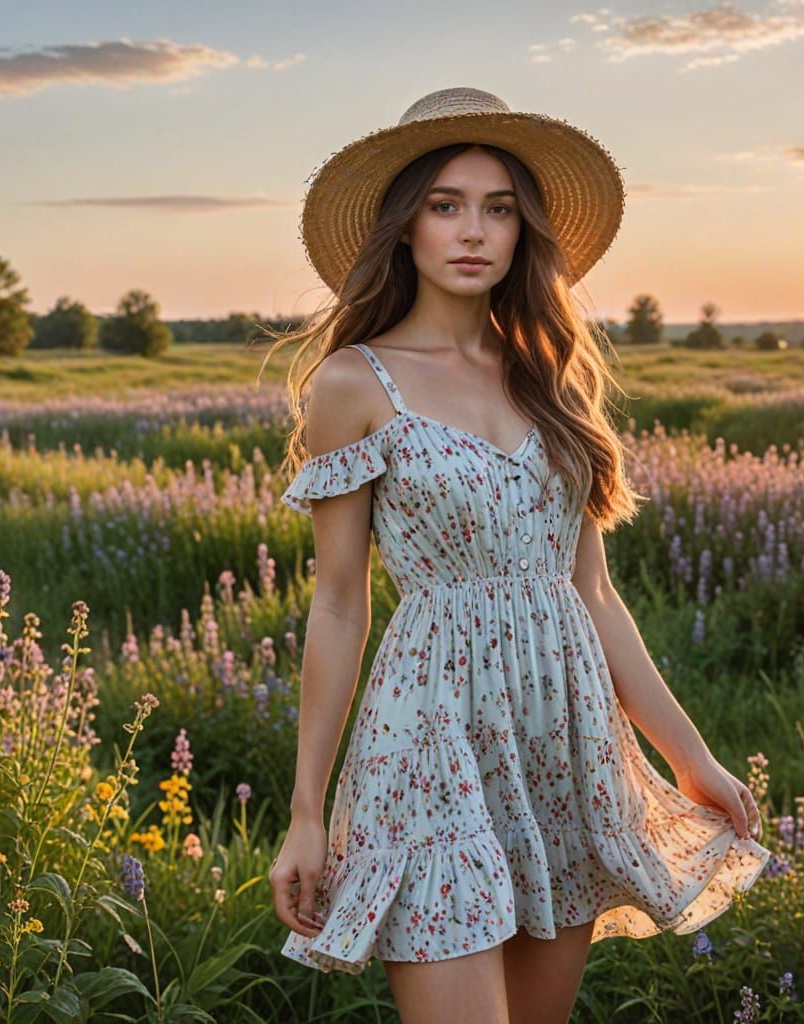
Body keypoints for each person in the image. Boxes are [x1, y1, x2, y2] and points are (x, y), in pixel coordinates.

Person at [263, 86, 771, 1024]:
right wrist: (306, 812)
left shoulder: (548, 376)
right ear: (404, 226)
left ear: (523, 233)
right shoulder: (354, 382)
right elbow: (339, 605)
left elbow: (594, 597)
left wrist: (690, 758)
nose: (474, 231)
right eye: (445, 205)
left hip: (561, 742)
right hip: (429, 745)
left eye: (499, 209)